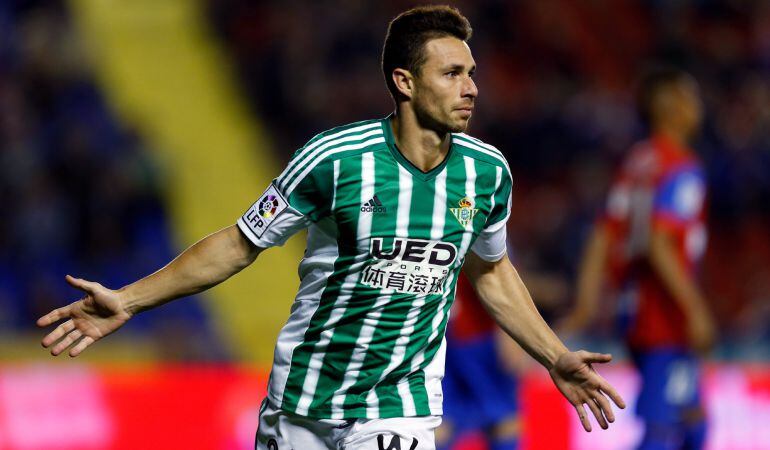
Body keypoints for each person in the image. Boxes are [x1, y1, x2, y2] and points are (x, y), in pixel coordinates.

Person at [38, 6, 624, 450]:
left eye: (471, 72)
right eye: (451, 73)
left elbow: (492, 272)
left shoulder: (486, 172)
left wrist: (553, 355)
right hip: (303, 402)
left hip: (401, 405)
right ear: (405, 82)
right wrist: (130, 300)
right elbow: (239, 245)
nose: (471, 87)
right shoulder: (334, 159)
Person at [561, 67, 715, 450]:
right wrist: (694, 308)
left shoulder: (637, 163)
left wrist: (585, 303)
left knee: (693, 422)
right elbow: (660, 243)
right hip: (666, 319)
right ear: (671, 107)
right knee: (664, 430)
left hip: (633, 312)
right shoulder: (681, 167)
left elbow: (601, 235)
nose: (698, 107)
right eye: (690, 97)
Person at [436, 271, 522, 450]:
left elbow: (501, 276)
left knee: (502, 420)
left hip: (483, 342)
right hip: (444, 343)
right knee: (439, 421)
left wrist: (510, 331)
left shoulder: (484, 243)